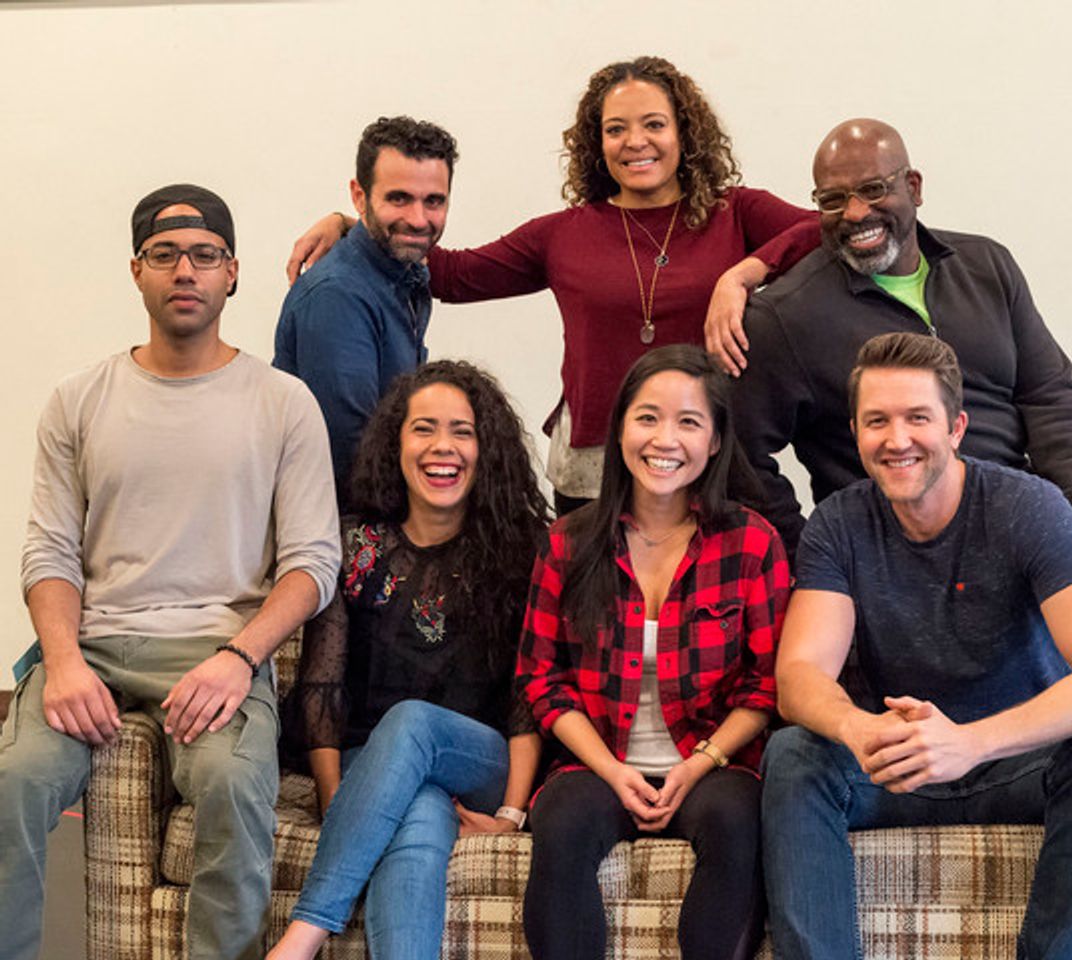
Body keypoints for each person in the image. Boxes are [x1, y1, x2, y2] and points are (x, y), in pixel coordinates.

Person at [731, 117, 1072, 717]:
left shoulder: (987, 267)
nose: (856, 212)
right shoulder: (786, 317)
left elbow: (1050, 394)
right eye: (832, 199)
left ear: (914, 187)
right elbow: (744, 455)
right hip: (897, 546)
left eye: (874, 189)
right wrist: (817, 560)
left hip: (1022, 525)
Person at [1, 184, 341, 960]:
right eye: (164, 255)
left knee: (232, 786)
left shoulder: (283, 403)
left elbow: (313, 564)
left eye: (204, 255)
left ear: (232, 272)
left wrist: (238, 659)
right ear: (136, 271)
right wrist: (62, 663)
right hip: (93, 649)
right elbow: (49, 553)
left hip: (217, 653)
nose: (185, 270)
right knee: (15, 781)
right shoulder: (77, 400)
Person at [286, 56, 821, 514]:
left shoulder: (736, 213)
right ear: (597, 142)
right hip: (594, 468)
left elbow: (829, 229)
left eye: (654, 124)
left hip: (703, 452)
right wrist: (351, 224)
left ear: (684, 132)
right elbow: (451, 273)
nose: (635, 141)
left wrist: (743, 274)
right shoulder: (565, 233)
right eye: (616, 129)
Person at [763, 332, 1072, 960]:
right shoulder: (838, 523)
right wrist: (859, 728)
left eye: (917, 418)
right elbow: (800, 673)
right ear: (856, 433)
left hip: (1015, 759)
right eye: (877, 421)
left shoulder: (1028, 507)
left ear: (956, 427)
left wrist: (970, 742)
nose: (897, 439)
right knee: (794, 754)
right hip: (897, 763)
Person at [266, 360, 550, 960]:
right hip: (372, 759)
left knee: (414, 721)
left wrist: (511, 813)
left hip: (482, 758)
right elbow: (322, 687)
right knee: (419, 818)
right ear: (395, 444)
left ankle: (302, 936)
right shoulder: (354, 543)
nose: (442, 446)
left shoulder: (522, 548)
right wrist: (341, 803)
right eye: (424, 428)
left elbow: (530, 694)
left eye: (462, 431)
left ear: (486, 449)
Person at [515, 344, 790, 960]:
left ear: (715, 442)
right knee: (561, 819)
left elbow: (767, 683)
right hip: (599, 764)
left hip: (713, 765)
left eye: (688, 422)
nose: (665, 439)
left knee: (736, 820)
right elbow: (541, 679)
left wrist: (701, 763)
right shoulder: (566, 543)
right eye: (647, 418)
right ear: (619, 430)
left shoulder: (752, 542)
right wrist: (612, 770)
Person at [274, 116, 458, 502]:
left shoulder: (403, 271)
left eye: (434, 201)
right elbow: (354, 460)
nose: (418, 219)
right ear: (359, 197)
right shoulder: (337, 296)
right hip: (346, 521)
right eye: (399, 198)